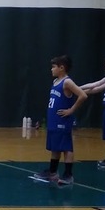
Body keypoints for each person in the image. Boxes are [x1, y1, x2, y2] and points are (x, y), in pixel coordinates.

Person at [31, 54, 87, 186]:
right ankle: (52, 172)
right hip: (54, 119)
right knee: (55, 147)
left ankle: (68, 175)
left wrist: (71, 110)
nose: (51, 69)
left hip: (63, 120)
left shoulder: (67, 81)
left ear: (62, 68)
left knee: (66, 147)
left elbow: (83, 95)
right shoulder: (55, 81)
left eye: (53, 67)